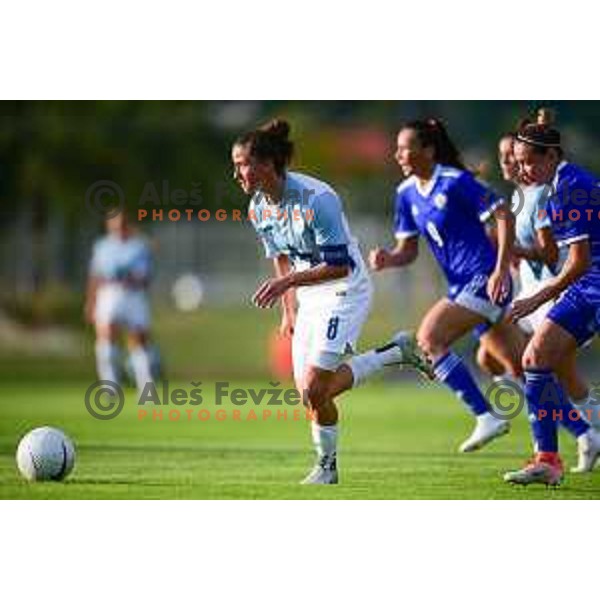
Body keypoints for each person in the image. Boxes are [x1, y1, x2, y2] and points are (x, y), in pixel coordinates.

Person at [232, 118, 431, 485]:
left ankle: (326, 469)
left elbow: (338, 266)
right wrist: (289, 309)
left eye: (242, 164)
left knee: (314, 388)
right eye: (235, 166)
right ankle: (394, 353)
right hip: (308, 296)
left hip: (344, 289)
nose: (237, 174)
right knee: (310, 396)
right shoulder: (258, 208)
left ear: (266, 164)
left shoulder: (317, 199)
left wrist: (288, 282)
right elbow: (281, 257)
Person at [369, 118, 524, 453]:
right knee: (527, 366)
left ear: (427, 150)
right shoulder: (405, 193)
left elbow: (503, 215)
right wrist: (388, 258)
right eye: (396, 149)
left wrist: (500, 270)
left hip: (484, 279)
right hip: (460, 288)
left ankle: (486, 416)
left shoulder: (455, 182)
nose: (398, 155)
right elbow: (407, 251)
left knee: (429, 338)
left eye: (405, 148)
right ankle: (587, 431)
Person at [477, 115, 599, 474]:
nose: (522, 168)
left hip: (591, 285)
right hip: (586, 285)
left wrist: (538, 298)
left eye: (530, 160)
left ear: (551, 157)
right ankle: (550, 457)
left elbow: (577, 262)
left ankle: (558, 452)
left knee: (537, 361)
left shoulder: (570, 188)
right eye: (518, 160)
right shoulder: (559, 185)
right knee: (535, 361)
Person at [85, 211, 155, 393]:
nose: (119, 228)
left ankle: (146, 388)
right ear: (109, 226)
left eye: (122, 224)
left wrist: (132, 278)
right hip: (109, 294)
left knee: (138, 341)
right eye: (115, 225)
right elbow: (95, 275)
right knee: (106, 338)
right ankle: (110, 387)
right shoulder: (102, 246)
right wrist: (91, 302)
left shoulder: (138, 246)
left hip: (133, 294)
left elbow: (145, 276)